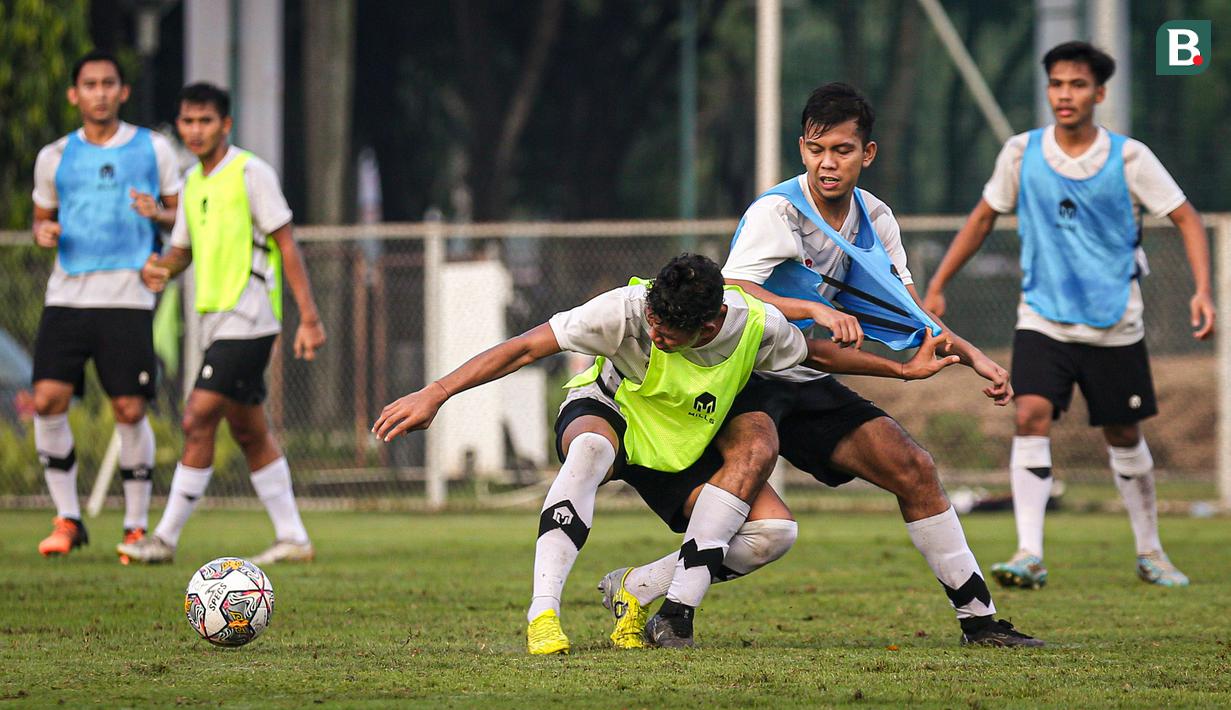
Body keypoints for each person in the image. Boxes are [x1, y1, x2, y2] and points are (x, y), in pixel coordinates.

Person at [601, 83, 1043, 649]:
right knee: (756, 456)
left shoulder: (876, 219)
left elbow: (909, 308)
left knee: (913, 467)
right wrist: (810, 306)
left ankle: (980, 623)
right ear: (801, 148)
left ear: (868, 153)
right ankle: (676, 616)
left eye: (841, 150)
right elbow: (732, 289)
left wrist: (972, 355)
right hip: (739, 372)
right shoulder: (778, 211)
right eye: (815, 149)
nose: (827, 163)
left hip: (804, 369)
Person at [372, 253, 960, 654]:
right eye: (653, 318)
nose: (654, 332)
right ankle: (543, 614)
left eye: (671, 330)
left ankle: (639, 587)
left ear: (712, 323)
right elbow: (524, 347)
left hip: (679, 446)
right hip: (611, 413)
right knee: (588, 456)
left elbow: (816, 354)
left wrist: (904, 370)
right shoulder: (623, 312)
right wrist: (437, 392)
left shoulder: (756, 326)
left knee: (774, 535)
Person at [923, 42, 1214, 590]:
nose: (1065, 94)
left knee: (1123, 434)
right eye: (1057, 84)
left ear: (1099, 93)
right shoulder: (1019, 153)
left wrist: (1203, 290)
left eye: (1077, 85)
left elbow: (1188, 219)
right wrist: (938, 284)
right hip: (1043, 318)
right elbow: (984, 218)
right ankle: (1029, 551)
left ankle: (1151, 551)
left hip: (1114, 324)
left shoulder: (1131, 158)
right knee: (1029, 415)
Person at [117, 83, 326, 565]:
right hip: (214, 322)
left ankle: (164, 539)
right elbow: (183, 252)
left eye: (205, 120)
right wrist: (160, 269)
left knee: (196, 416)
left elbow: (287, 243)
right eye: (187, 121)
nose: (194, 130)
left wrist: (309, 318)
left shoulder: (251, 172)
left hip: (249, 318)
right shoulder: (193, 183)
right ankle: (293, 537)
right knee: (250, 431)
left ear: (225, 124)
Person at [31, 49, 182, 560]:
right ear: (75, 94)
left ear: (123, 91)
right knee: (48, 400)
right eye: (89, 84)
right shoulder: (55, 156)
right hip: (68, 295)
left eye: (108, 83)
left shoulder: (153, 148)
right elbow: (41, 218)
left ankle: (136, 526)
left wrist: (158, 215)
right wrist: (43, 231)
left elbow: (182, 217)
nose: (99, 92)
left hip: (129, 297)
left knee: (128, 407)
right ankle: (68, 518)